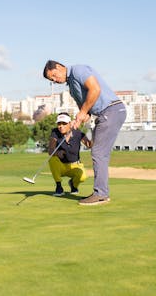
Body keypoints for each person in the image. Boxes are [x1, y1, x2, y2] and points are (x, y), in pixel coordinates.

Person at [43, 60, 127, 205]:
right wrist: (78, 120)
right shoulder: (71, 88)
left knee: (98, 153)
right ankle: (102, 193)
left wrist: (82, 112)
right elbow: (86, 111)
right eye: (52, 80)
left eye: (54, 76)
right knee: (100, 153)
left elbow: (95, 89)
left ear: (59, 67)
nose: (55, 81)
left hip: (111, 110)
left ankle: (100, 194)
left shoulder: (78, 70)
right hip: (105, 114)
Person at [48, 112, 92, 197]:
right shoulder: (55, 132)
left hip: (74, 166)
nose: (61, 126)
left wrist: (95, 133)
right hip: (61, 166)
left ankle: (73, 185)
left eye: (64, 123)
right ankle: (59, 186)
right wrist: (57, 153)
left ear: (69, 124)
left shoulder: (78, 133)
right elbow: (50, 150)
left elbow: (89, 145)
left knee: (83, 177)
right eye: (59, 123)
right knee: (52, 158)